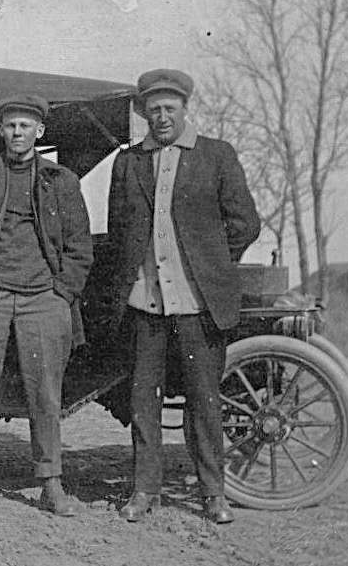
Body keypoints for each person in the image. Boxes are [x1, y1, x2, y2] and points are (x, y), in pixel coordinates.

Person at [106, 69, 261, 524]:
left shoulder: (216, 155)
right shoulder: (129, 162)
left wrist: (211, 263)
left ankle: (213, 493)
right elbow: (119, 230)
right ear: (144, 114)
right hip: (145, 303)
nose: (161, 117)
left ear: (185, 109)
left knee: (204, 400)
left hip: (199, 306)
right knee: (143, 401)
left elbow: (246, 223)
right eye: (153, 110)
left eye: (169, 109)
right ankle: (144, 490)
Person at [0, 94, 94, 516]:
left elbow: (80, 246)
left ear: (39, 131)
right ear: (1, 131)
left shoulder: (62, 181)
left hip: (44, 298)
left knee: (45, 392)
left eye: (25, 126)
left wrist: (62, 293)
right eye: (10, 126)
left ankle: (51, 482)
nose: (17, 133)